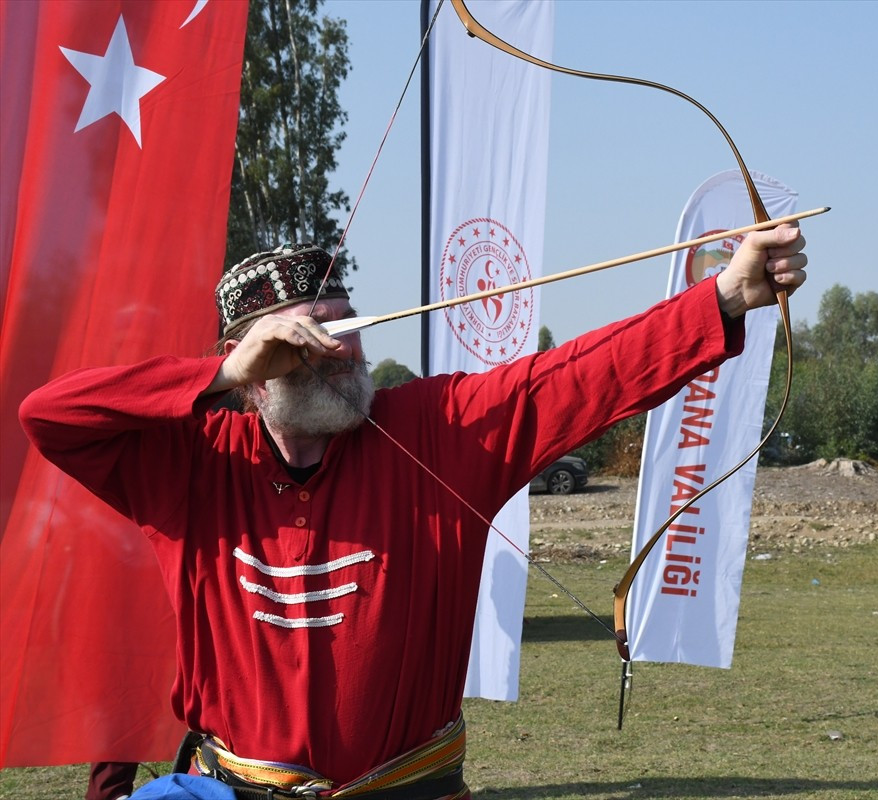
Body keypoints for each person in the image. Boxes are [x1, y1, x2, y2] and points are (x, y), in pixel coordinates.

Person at [20, 224, 808, 799]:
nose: (344, 348)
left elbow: (578, 376)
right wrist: (220, 373)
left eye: (350, 324)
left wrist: (725, 297)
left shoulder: (437, 430)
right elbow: (49, 415)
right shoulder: (189, 463)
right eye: (311, 337)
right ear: (256, 373)